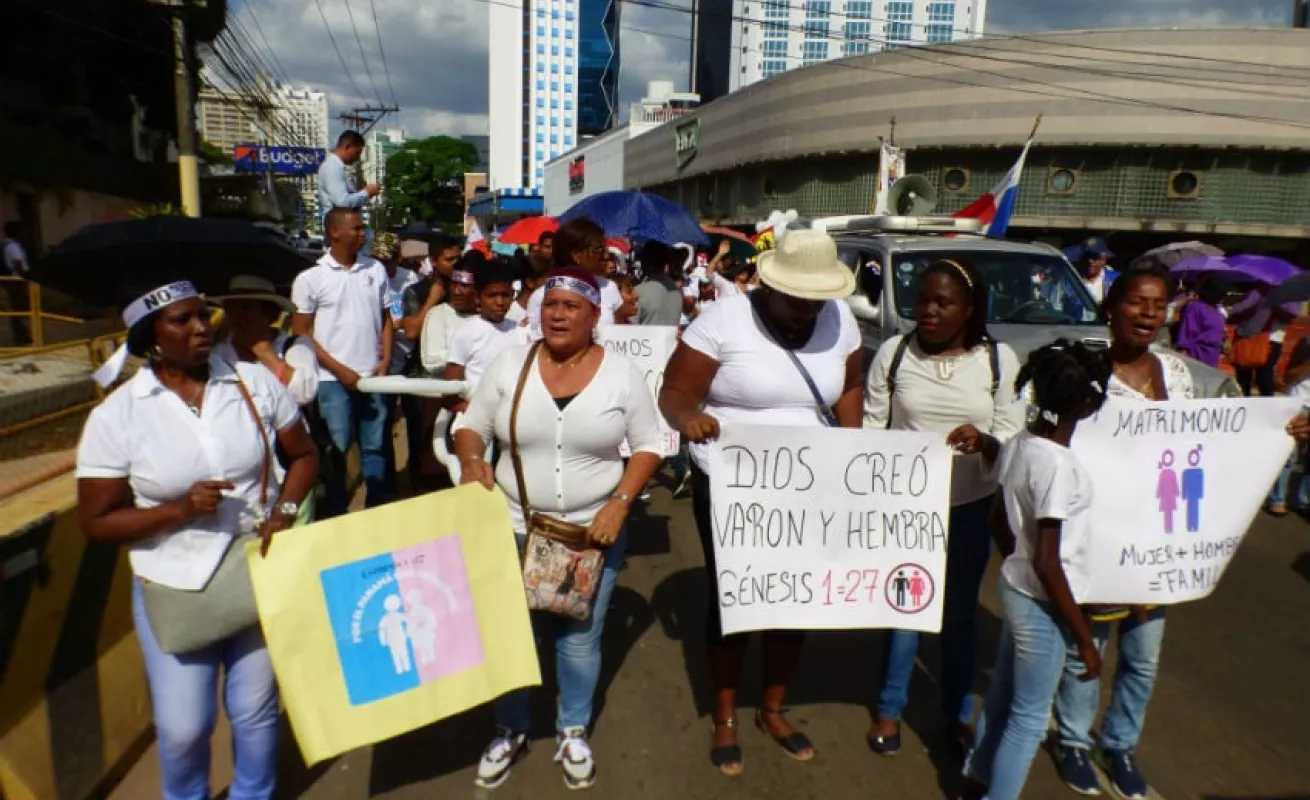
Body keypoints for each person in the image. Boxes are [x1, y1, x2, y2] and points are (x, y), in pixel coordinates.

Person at [1051, 263, 1310, 798]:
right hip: (1099, 537)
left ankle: (1119, 744)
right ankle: (1073, 739)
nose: (1147, 313)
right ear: (1111, 308)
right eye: (1136, 302)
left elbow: (1214, 442)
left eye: (1157, 304)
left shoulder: (1179, 375)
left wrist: (1283, 430)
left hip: (1162, 540)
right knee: (1088, 646)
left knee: (1143, 655)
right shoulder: (1083, 371)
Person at [75, 280, 318, 800]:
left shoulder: (253, 382)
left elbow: (305, 456)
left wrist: (286, 511)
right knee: (184, 727)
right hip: (172, 584)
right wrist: (179, 509)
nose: (199, 328)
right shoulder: (120, 413)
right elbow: (96, 521)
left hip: (255, 568)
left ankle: (253, 795)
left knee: (254, 712)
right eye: (180, 321)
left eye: (201, 316)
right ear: (150, 338)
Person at [659, 229, 864, 775]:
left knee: (794, 598)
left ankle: (772, 707)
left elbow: (849, 386)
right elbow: (674, 392)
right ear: (770, 287)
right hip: (732, 480)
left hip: (812, 481)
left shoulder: (840, 320)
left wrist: (854, 447)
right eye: (795, 300)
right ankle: (725, 714)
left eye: (813, 301)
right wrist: (688, 420)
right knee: (737, 597)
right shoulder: (722, 321)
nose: (804, 311)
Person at [452, 268, 663, 790]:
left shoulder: (621, 373)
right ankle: (511, 727)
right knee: (512, 635)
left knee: (578, 637)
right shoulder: (510, 364)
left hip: (591, 532)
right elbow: (469, 427)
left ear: (595, 316)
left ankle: (572, 728)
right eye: (551, 305)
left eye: (572, 306)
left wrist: (620, 502)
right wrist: (473, 459)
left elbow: (651, 444)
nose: (559, 314)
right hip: (512, 524)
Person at [864, 258, 1026, 756]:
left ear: (970, 308)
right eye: (923, 300)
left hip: (969, 510)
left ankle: (956, 714)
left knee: (957, 616)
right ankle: (890, 710)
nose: (928, 311)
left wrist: (986, 441)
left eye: (943, 302)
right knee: (905, 610)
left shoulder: (1000, 361)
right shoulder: (893, 353)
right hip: (905, 511)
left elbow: (1013, 432)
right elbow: (872, 429)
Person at [959, 341, 1112, 800]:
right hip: (1042, 605)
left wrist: (1014, 560)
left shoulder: (1022, 446)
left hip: (1016, 588)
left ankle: (976, 777)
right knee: (1028, 719)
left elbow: (998, 523)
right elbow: (1049, 560)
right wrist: (1084, 636)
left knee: (1003, 696)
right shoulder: (1058, 467)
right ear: (1086, 403)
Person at [291, 207, 393, 516]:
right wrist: (339, 370)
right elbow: (301, 333)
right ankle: (337, 515)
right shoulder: (311, 278)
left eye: (363, 228)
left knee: (375, 447)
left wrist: (385, 359)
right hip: (330, 381)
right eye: (357, 228)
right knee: (336, 450)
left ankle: (376, 510)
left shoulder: (375, 270)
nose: (364, 233)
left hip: (372, 377)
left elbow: (386, 318)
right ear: (335, 232)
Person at [525, 218, 624, 336]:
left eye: (605, 249)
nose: (606, 256)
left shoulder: (609, 288)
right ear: (577, 255)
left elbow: (620, 335)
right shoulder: (542, 295)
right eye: (599, 250)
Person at [444, 260, 521, 402]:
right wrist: (470, 412)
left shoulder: (520, 331)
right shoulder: (466, 333)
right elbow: (450, 390)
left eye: (505, 295)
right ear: (477, 297)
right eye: (492, 296)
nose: (499, 302)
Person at [316, 130, 381, 222]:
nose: (358, 158)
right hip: (339, 229)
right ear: (347, 147)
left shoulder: (337, 166)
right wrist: (367, 193)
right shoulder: (332, 167)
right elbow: (342, 202)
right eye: (357, 153)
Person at [1172, 277, 1228, 368]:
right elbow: (1187, 331)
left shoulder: (1216, 310)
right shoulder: (1195, 307)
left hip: (1212, 355)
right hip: (1198, 354)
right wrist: (1183, 354)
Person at [634, 240, 685, 327]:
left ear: (646, 261)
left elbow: (630, 326)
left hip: (645, 339)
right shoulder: (677, 291)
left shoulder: (639, 291)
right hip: (669, 340)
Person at [2, 221, 31, 345]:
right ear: (16, 232)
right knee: (19, 309)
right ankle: (22, 337)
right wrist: (26, 278)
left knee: (18, 309)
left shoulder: (9, 245)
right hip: (17, 282)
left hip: (16, 282)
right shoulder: (12, 247)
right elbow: (18, 264)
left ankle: (22, 335)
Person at [1063, 237, 1118, 304]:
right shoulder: (1070, 280)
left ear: (1104, 259)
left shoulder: (1116, 280)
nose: (1090, 261)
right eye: (1087, 256)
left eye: (1095, 257)